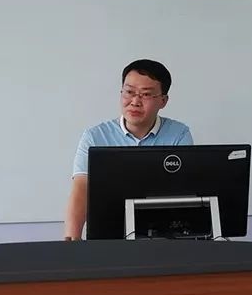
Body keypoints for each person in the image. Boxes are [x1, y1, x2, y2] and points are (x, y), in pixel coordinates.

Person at [63, 59, 193, 240]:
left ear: (163, 101)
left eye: (146, 94)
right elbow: (81, 189)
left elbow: (183, 191)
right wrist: (72, 241)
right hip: (108, 237)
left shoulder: (178, 134)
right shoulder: (95, 137)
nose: (135, 101)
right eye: (129, 92)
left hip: (165, 236)